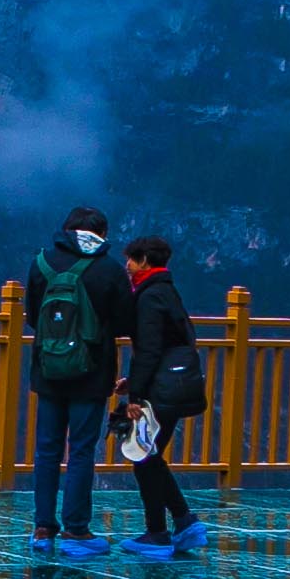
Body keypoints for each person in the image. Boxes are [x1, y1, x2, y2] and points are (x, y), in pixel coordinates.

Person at [23, 203, 135, 560]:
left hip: (49, 371)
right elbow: (124, 322)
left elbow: (31, 316)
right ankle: (76, 529)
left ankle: (43, 527)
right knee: (81, 450)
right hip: (92, 373)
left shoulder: (42, 263)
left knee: (47, 450)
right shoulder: (109, 270)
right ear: (101, 234)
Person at [113, 234, 212, 559]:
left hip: (159, 392)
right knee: (150, 456)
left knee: (144, 457)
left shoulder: (149, 296)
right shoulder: (167, 291)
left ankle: (158, 533)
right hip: (174, 385)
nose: (126, 265)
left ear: (143, 261)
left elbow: (150, 348)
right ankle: (184, 523)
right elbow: (173, 343)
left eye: (130, 259)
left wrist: (136, 395)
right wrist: (136, 381)